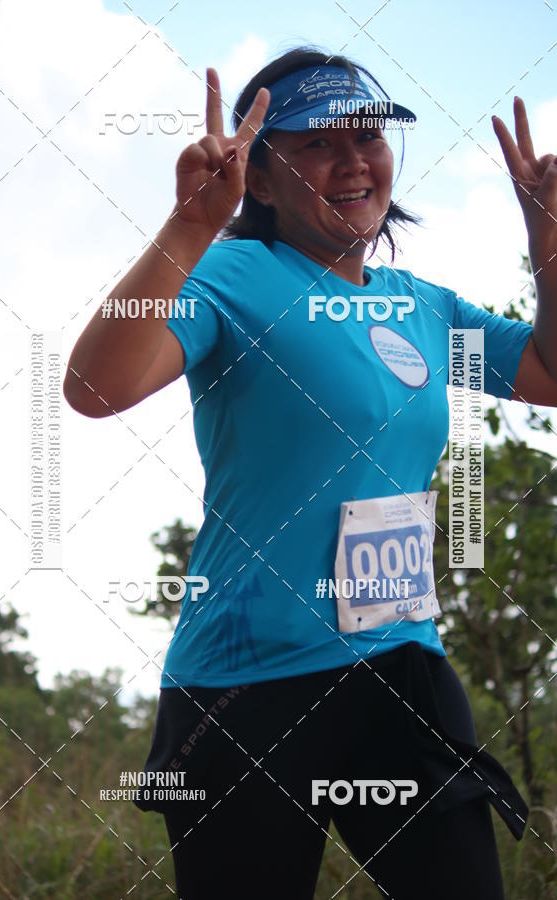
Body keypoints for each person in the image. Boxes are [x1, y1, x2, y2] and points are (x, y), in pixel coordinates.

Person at [63, 46, 557, 900]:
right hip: (243, 683)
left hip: (400, 661)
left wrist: (547, 238)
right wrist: (188, 225)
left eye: (367, 136)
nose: (354, 159)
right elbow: (94, 388)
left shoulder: (427, 306)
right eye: (319, 143)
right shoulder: (232, 275)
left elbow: (550, 378)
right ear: (259, 179)